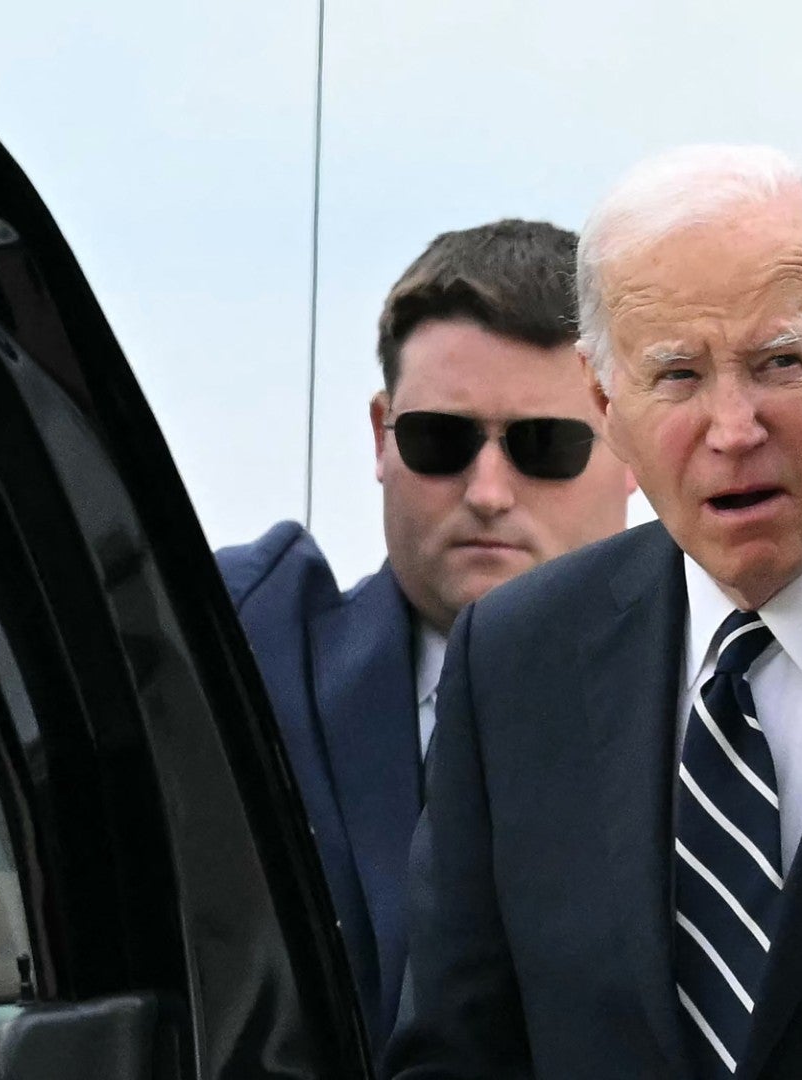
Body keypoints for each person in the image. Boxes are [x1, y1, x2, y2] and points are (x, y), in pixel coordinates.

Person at [384, 147, 802, 1080]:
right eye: (676, 375)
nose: (732, 428)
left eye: (779, 363)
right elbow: (456, 1051)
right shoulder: (517, 659)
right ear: (608, 403)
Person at [216, 218, 633, 1054]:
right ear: (381, 434)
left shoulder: (721, 704)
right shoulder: (248, 659)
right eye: (440, 439)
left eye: (543, 446)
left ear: (633, 443)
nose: (487, 491)